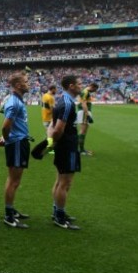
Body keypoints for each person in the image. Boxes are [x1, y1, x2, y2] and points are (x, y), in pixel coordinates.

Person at [0, 71, 31, 228]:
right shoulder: (14, 102)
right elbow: (5, 126)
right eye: (26, 81)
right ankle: (9, 215)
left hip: (19, 142)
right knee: (14, 180)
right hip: (16, 143)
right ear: (18, 85)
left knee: (15, 180)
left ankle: (11, 210)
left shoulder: (16, 100)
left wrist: (6, 138)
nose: (28, 84)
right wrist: (7, 139)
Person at [49, 75, 82, 230]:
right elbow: (58, 128)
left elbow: (52, 125)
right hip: (67, 146)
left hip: (64, 146)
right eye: (79, 83)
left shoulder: (62, 100)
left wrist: (52, 143)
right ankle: (60, 217)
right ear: (71, 86)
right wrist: (53, 142)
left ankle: (57, 211)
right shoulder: (67, 103)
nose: (81, 86)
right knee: (65, 182)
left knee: (59, 180)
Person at [77, 82, 99, 156]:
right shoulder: (85, 92)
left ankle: (81, 149)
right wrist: (87, 115)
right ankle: (80, 150)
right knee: (82, 131)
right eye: (95, 89)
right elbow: (83, 103)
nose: (95, 91)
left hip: (84, 112)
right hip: (84, 112)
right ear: (92, 86)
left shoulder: (86, 92)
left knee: (83, 131)